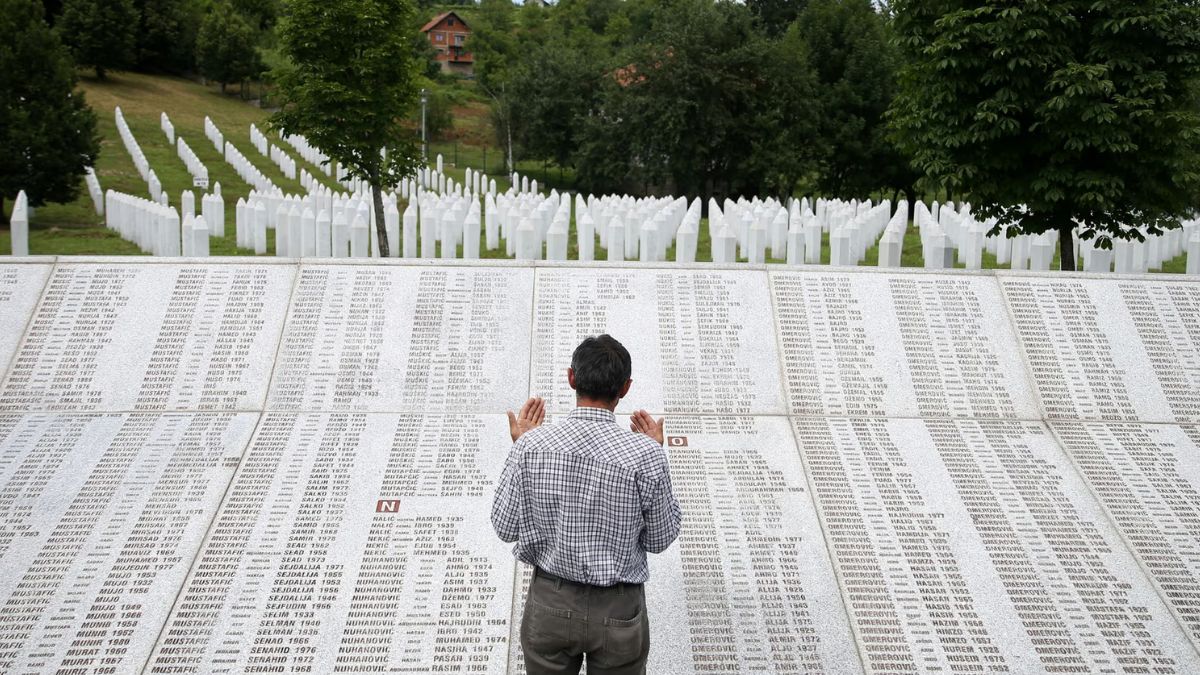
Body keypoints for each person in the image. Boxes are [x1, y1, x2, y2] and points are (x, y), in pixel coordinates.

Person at [491, 334, 682, 675]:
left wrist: (523, 445)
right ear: (624, 389)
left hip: (550, 601)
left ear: (571, 378)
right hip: (619, 609)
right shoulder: (645, 455)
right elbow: (659, 539)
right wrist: (653, 453)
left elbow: (504, 528)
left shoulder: (530, 447)